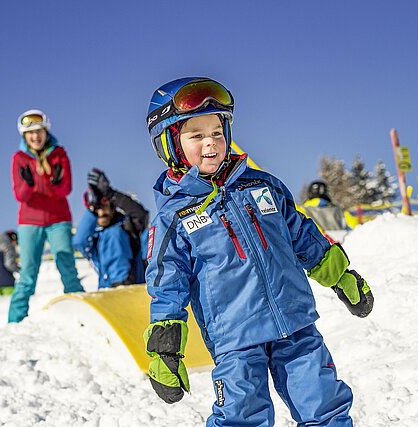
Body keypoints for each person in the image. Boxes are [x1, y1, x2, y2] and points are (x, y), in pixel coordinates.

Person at [142, 77, 374, 426]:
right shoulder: (175, 215)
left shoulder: (262, 186)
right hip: (235, 338)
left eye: (217, 132)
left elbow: (304, 237)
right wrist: (165, 344)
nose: (211, 143)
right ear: (169, 144)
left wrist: (341, 276)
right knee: (241, 417)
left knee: (324, 405)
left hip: (296, 323)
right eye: (196, 135)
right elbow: (166, 282)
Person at [9, 109, 83, 323]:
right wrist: (29, 184)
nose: (35, 137)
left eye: (39, 131)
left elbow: (65, 190)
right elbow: (20, 195)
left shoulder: (59, 153)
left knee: (67, 266)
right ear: (24, 136)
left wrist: (53, 181)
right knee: (27, 275)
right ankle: (15, 322)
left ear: (46, 132)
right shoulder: (19, 158)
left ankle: (81, 314)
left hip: (58, 219)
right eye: (30, 133)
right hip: (29, 222)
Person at [73, 168, 149, 288]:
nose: (101, 212)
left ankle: (121, 284)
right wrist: (92, 209)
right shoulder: (94, 240)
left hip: (133, 288)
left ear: (113, 208)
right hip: (107, 292)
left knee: (114, 233)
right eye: (97, 208)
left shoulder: (127, 227)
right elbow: (79, 241)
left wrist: (110, 193)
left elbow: (141, 214)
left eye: (104, 206)